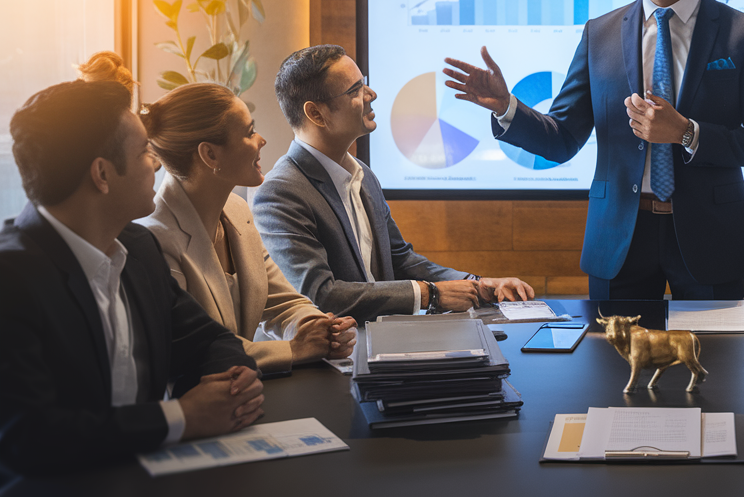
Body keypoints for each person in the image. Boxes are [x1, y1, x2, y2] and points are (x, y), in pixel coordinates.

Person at [444, 0, 744, 300]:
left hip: (710, 240)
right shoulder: (600, 34)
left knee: (713, 346)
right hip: (618, 242)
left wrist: (687, 133)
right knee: (611, 346)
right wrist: (507, 108)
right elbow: (562, 138)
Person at [0, 80, 263, 476]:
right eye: (144, 152)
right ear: (102, 174)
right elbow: (28, 436)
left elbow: (211, 340)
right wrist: (183, 417)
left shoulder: (138, 249)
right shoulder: (12, 277)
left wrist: (232, 384)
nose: (155, 164)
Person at [251, 45, 535, 322]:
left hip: (384, 341)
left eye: (365, 83)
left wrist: (476, 284)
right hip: (342, 350)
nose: (371, 94)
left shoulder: (363, 175)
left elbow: (400, 260)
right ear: (315, 114)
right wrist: (430, 295)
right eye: (355, 90)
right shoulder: (280, 192)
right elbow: (320, 295)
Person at [134, 80, 358, 372]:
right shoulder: (155, 241)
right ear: (210, 155)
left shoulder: (238, 211)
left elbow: (282, 302)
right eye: (250, 132)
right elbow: (195, 351)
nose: (261, 140)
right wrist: (294, 349)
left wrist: (319, 328)